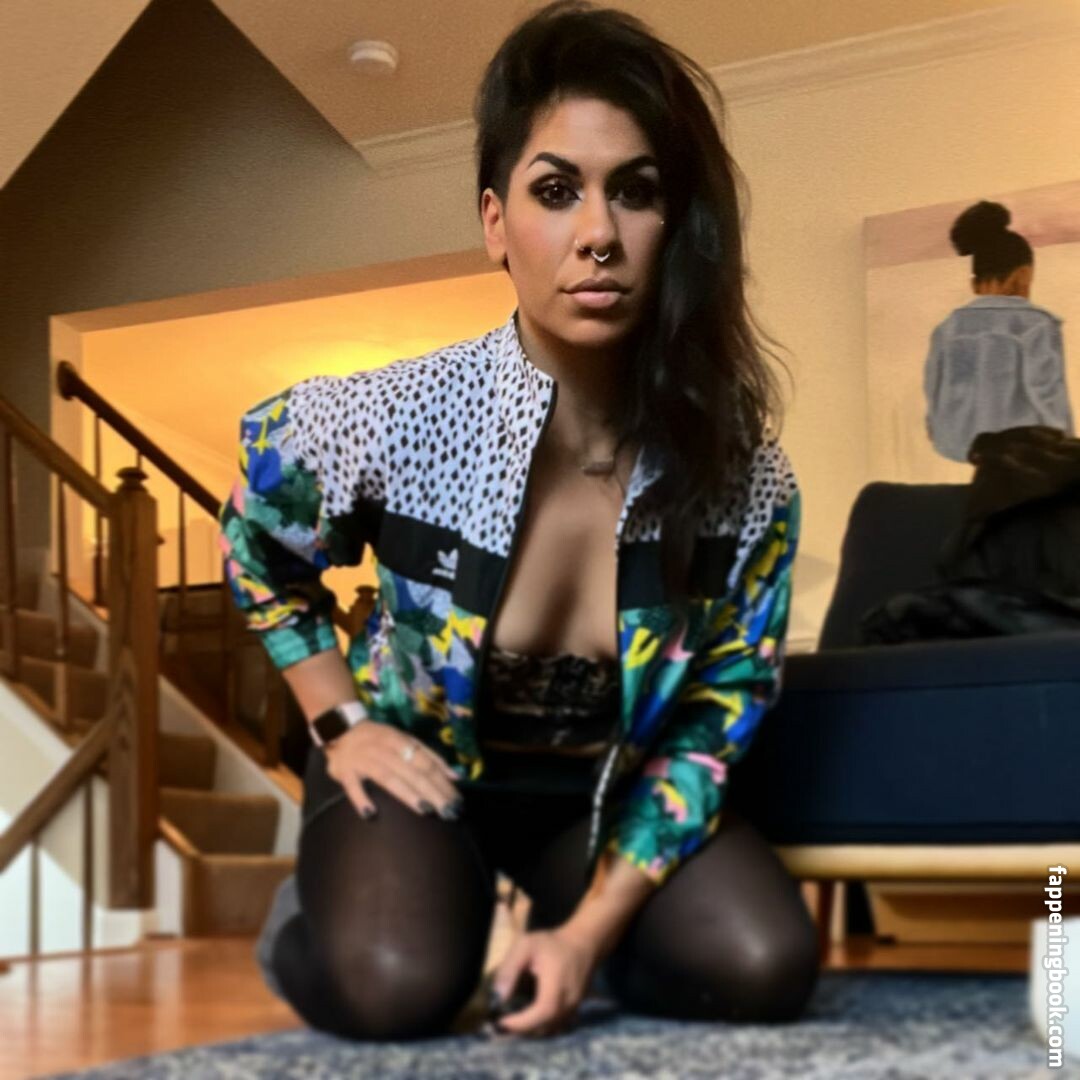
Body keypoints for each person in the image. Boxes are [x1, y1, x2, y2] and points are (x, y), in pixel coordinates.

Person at [219, 0, 817, 1042]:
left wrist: (583, 937)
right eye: (556, 191)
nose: (598, 235)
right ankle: (315, 915)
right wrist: (340, 723)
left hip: (595, 802)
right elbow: (255, 534)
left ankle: (555, 929)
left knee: (761, 964)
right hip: (419, 776)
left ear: (675, 225)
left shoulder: (743, 481)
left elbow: (714, 722)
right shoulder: (395, 417)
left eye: (636, 192)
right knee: (394, 988)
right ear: (496, 223)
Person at [924, 200, 1073, 463]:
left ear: (973, 285)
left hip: (957, 444)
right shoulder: (1037, 324)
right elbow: (1046, 391)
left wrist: (937, 428)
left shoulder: (947, 328)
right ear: (1023, 276)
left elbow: (933, 386)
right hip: (1020, 452)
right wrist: (1067, 444)